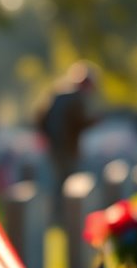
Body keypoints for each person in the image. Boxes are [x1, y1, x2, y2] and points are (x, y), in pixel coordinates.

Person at [37, 61, 100, 199]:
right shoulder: (76, 99)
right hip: (68, 149)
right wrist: (94, 121)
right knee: (70, 184)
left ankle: (58, 213)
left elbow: (41, 119)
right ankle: (66, 214)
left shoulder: (57, 95)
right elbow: (77, 123)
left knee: (58, 182)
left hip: (55, 148)